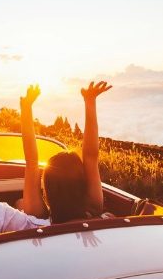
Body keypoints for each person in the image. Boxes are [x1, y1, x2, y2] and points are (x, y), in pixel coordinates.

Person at [20, 81, 112, 223]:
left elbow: (31, 162)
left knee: (18, 203)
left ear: (48, 188)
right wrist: (90, 101)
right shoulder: (93, 207)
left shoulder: (39, 217)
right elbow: (90, 156)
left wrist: (26, 108)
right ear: (83, 183)